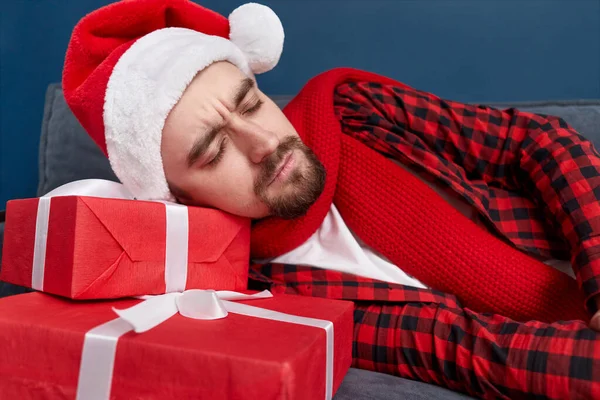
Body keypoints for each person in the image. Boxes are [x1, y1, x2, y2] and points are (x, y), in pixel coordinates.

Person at [61, 0, 600, 398]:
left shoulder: (349, 108)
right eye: (213, 151)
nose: (266, 143)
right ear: (178, 200)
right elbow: (456, 348)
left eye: (250, 104)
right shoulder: (263, 298)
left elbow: (534, 142)